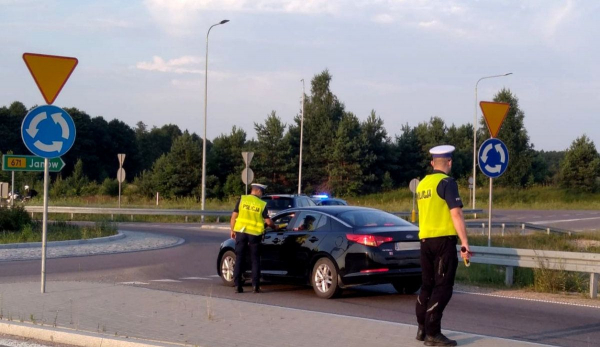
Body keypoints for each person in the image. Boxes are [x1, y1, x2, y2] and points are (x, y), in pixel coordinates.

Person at [415, 145, 470, 347]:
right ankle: (433, 332)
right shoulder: (447, 182)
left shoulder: (422, 185)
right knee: (443, 287)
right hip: (442, 243)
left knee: (427, 285)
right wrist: (464, 243)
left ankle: (422, 328)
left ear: (432, 163)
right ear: (449, 162)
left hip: (424, 241)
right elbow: (456, 213)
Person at [230, 183, 277, 294]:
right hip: (255, 235)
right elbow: (268, 221)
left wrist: (232, 230)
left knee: (239, 258)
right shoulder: (261, 204)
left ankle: (237, 286)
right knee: (255, 260)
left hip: (241, 232)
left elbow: (233, 217)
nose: (262, 195)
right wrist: (275, 227)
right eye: (262, 192)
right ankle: (255, 286)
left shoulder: (242, 199)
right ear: (258, 191)